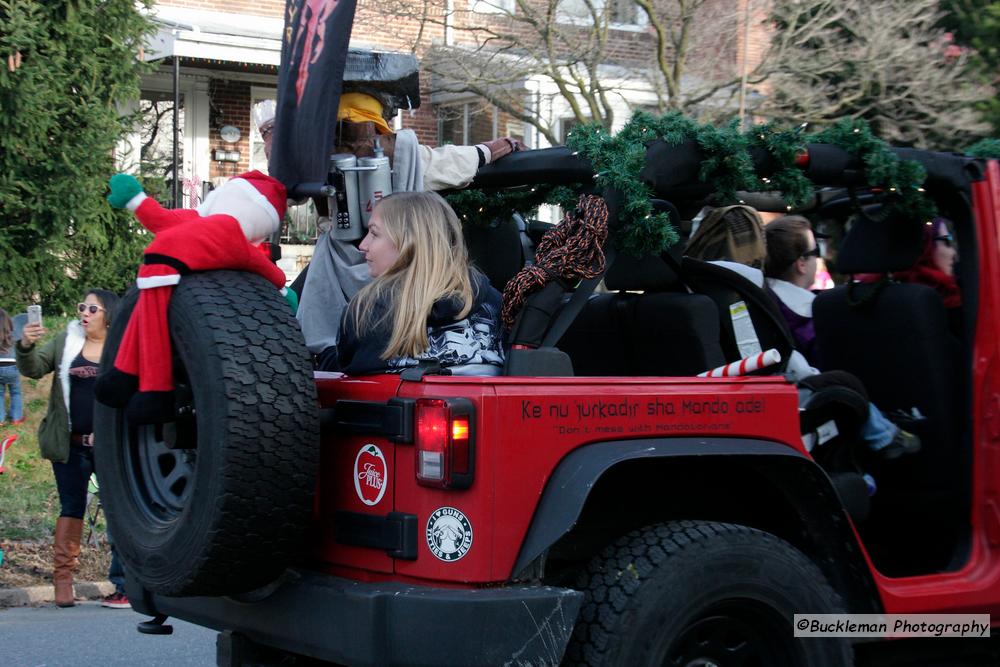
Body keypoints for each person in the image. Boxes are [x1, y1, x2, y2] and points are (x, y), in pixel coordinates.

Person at [251, 95, 524, 355]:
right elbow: (457, 162)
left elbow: (284, 183)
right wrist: (498, 147)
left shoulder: (314, 156)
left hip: (333, 264)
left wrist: (277, 136)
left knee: (305, 325)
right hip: (399, 269)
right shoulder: (404, 152)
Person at [763, 215, 919, 460]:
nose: (820, 258)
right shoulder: (807, 313)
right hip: (818, 404)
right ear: (801, 263)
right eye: (815, 250)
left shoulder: (764, 300)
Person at [16, 290, 130, 609]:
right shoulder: (67, 341)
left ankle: (123, 585)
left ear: (108, 314)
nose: (84, 313)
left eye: (92, 308)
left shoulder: (121, 349)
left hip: (111, 448)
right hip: (71, 446)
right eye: (82, 307)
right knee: (71, 507)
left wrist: (108, 434)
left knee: (119, 512)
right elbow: (34, 368)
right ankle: (63, 582)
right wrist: (26, 345)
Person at [316, 191, 504, 375]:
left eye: (374, 234)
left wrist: (323, 357)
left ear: (409, 242)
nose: (363, 245)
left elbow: (347, 368)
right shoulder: (495, 302)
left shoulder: (367, 309)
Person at [893, 217, 960, 308]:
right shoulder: (922, 298)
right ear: (928, 246)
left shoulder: (891, 291)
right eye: (946, 242)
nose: (953, 253)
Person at [0, 308, 23, 424]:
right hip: (13, 365)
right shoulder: (14, 330)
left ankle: (0, 419)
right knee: (16, 392)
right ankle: (16, 417)